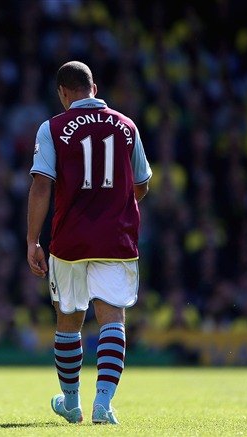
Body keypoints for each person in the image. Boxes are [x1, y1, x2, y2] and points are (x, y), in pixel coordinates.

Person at [26, 61, 152, 425]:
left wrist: (33, 240)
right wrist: (117, 203)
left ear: (63, 92)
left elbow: (40, 184)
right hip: (116, 238)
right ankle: (104, 403)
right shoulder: (127, 126)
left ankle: (71, 402)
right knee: (113, 316)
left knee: (69, 319)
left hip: (70, 239)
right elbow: (142, 182)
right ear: (94, 88)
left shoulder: (52, 128)